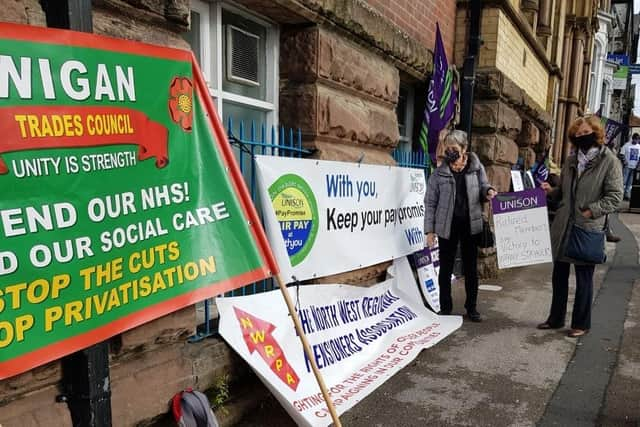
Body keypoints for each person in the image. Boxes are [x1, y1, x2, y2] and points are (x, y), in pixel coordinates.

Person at [538, 116, 622, 337]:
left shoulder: (609, 161)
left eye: (586, 133)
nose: (582, 137)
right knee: (559, 276)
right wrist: (551, 191)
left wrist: (591, 210)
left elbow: (615, 197)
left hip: (586, 228)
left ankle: (581, 324)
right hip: (563, 226)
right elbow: (564, 193)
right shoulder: (571, 160)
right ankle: (555, 318)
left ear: (596, 133)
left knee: (584, 279)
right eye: (577, 134)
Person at [424, 130, 497, 322]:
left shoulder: (475, 166)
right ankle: (445, 307)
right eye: (447, 149)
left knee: (470, 268)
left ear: (464, 149)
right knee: (446, 268)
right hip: (447, 225)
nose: (450, 152)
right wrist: (429, 230)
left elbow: (483, 186)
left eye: (454, 148)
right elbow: (430, 202)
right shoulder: (439, 172)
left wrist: (488, 191)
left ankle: (471, 308)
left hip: (470, 225)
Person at [620, 133, 640, 200]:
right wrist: (625, 162)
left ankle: (626, 195)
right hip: (627, 167)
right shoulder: (627, 145)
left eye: (638, 139)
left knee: (630, 182)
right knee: (623, 181)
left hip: (634, 167)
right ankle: (620, 195)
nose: (636, 141)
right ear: (633, 138)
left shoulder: (639, 146)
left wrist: (638, 165)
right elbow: (621, 154)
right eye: (635, 139)